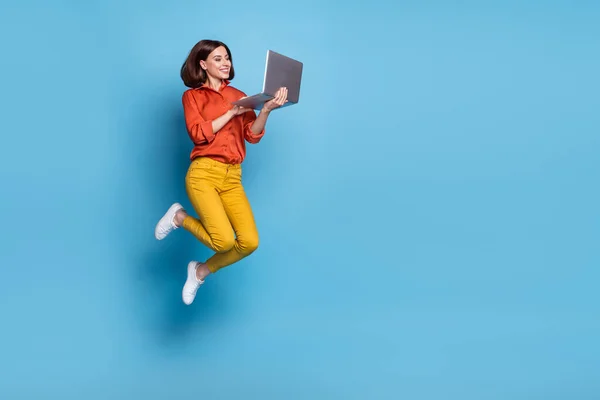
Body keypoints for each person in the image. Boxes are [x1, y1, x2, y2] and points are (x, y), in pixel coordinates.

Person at [154, 39, 288, 305]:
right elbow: (198, 133)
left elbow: (252, 135)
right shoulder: (192, 96)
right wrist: (231, 113)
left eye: (227, 57)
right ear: (203, 64)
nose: (226, 62)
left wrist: (267, 111)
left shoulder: (240, 95)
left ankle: (200, 271)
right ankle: (179, 217)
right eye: (218, 58)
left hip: (232, 176)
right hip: (203, 173)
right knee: (223, 241)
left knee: (249, 242)